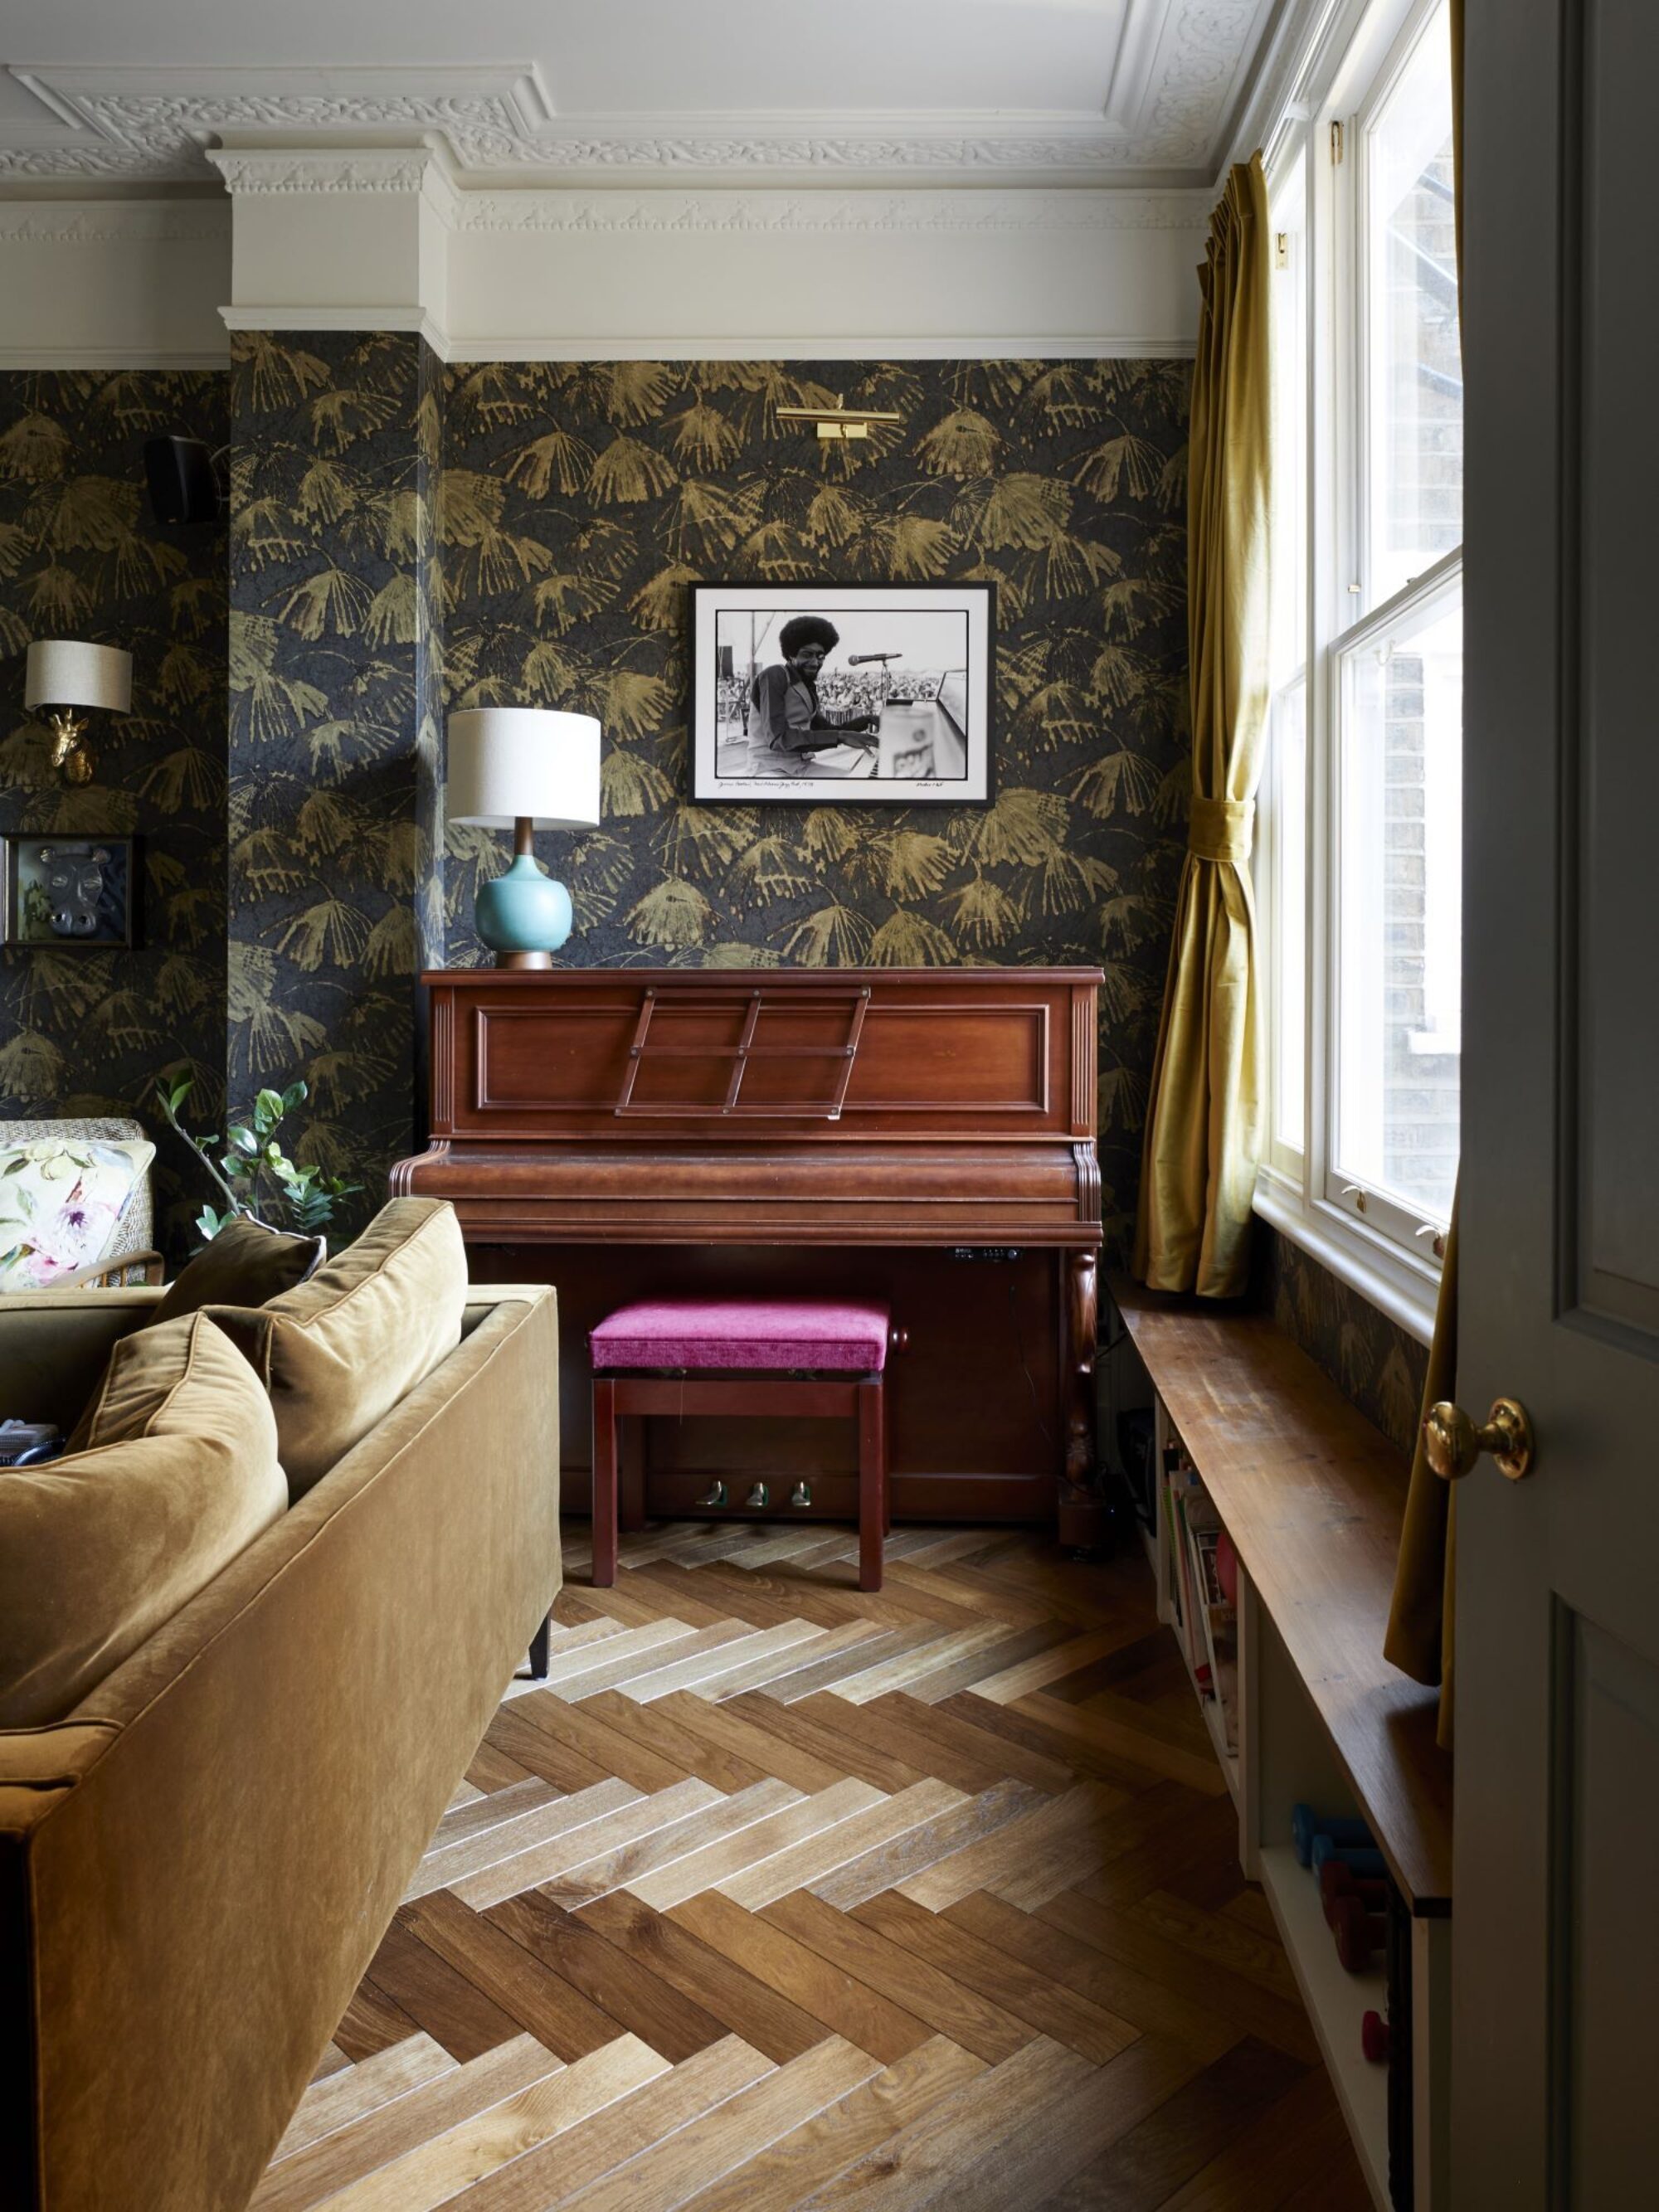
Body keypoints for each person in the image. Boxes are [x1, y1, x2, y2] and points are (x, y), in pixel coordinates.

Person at [747, 615, 880, 776]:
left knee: (855, 784)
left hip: (801, 766)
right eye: (807, 654)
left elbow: (830, 731)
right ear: (791, 654)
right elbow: (779, 739)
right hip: (768, 769)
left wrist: (868, 720)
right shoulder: (774, 675)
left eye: (820, 656)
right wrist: (840, 736)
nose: (815, 662)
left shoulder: (807, 687)